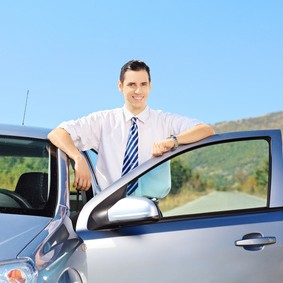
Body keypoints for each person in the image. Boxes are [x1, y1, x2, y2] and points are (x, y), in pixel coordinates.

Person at [48, 60, 215, 192]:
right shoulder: (103, 120)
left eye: (143, 84)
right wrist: (78, 158)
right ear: (120, 86)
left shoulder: (164, 121)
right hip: (107, 210)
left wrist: (173, 141)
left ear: (150, 86)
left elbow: (206, 130)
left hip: (149, 212)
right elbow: (57, 134)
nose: (138, 91)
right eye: (131, 85)